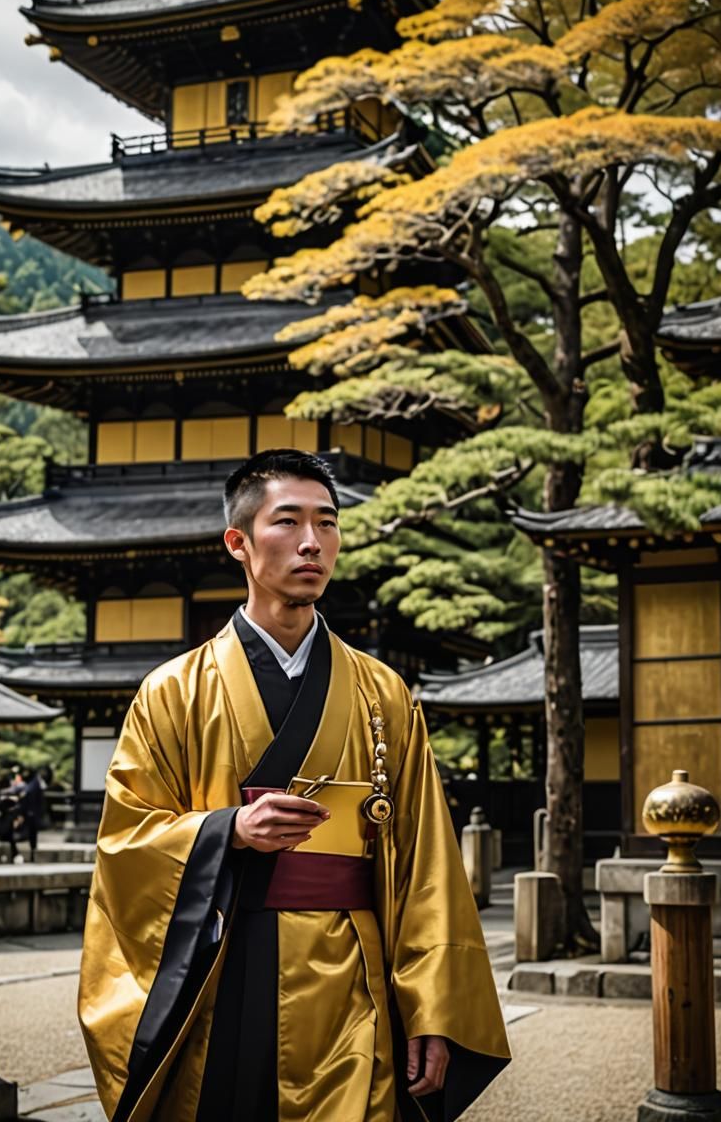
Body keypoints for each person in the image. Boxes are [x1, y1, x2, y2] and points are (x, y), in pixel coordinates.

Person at [79, 449, 510, 1122]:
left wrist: (433, 1004)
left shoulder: (383, 693)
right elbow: (125, 839)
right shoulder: (172, 692)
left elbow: (428, 864)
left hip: (350, 971)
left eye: (327, 523)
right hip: (220, 968)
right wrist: (226, 830)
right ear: (239, 543)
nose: (313, 542)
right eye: (288, 521)